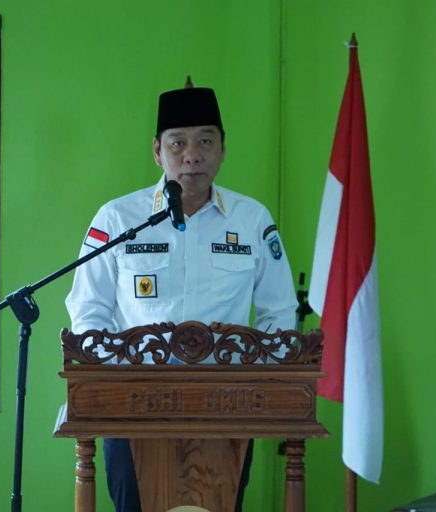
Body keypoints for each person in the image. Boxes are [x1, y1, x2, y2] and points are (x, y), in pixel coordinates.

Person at [65, 80, 297, 512]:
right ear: (157, 151)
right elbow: (88, 308)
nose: (192, 155)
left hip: (226, 410)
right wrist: (116, 380)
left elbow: (279, 310)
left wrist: (256, 383)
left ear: (223, 149)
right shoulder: (118, 219)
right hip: (133, 410)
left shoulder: (252, 220)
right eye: (178, 143)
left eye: (206, 141)